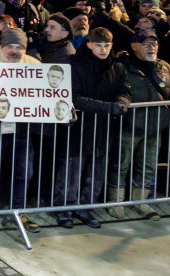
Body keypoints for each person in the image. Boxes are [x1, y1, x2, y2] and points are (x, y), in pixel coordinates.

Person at [57, 28, 129, 228]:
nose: (103, 49)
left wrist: (122, 102)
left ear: (111, 46)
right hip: (79, 126)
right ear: (89, 44)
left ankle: (85, 208)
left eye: (106, 45)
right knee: (72, 170)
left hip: (105, 128)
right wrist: (109, 107)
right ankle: (64, 209)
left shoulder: (118, 67)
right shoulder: (76, 65)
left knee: (97, 171)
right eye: (98, 45)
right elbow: (75, 97)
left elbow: (124, 90)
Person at [0, 27, 42, 233]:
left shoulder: (33, 64)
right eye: (10, 46)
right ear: (1, 46)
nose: (15, 51)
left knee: (25, 172)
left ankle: (18, 209)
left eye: (19, 47)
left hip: (22, 128)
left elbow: (48, 92)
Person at [110, 29, 170, 219]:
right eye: (146, 44)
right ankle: (115, 201)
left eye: (154, 43)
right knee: (121, 164)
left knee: (147, 165)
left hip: (156, 126)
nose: (152, 47)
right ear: (134, 46)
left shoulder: (164, 66)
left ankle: (140, 202)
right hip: (130, 125)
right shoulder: (123, 66)